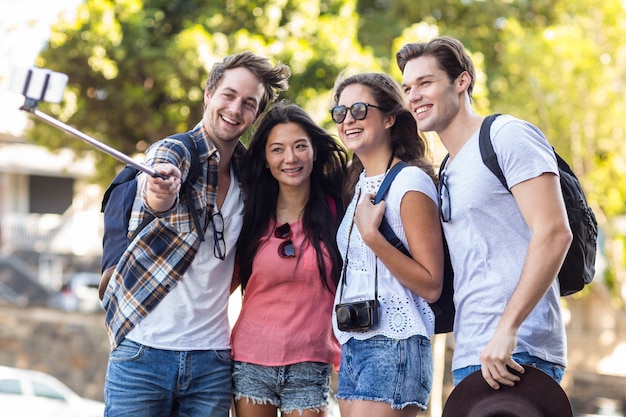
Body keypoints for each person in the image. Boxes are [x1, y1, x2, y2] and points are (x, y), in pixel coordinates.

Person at [101, 51, 290, 416]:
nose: (235, 109)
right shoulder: (175, 151)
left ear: (255, 115)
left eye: (248, 103)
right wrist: (162, 191)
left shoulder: (250, 176)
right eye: (229, 95)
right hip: (142, 353)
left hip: (212, 362)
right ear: (209, 94)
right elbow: (157, 184)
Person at [396, 36, 573, 390]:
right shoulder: (447, 168)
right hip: (471, 354)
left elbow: (555, 232)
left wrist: (508, 329)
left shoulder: (506, 135)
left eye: (425, 82)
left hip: (519, 351)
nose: (413, 95)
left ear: (462, 81)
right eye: (407, 87)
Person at [330, 72, 445, 417]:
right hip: (353, 345)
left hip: (395, 344)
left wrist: (372, 238)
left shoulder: (409, 182)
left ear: (390, 117)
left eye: (360, 110)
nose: (348, 119)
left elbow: (432, 284)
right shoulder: (359, 186)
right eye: (340, 112)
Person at [231, 101, 348, 417]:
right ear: (266, 160)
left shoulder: (339, 210)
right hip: (251, 358)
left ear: (313, 151)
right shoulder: (250, 215)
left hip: (311, 362)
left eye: (300, 146)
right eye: (278, 149)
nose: (290, 158)